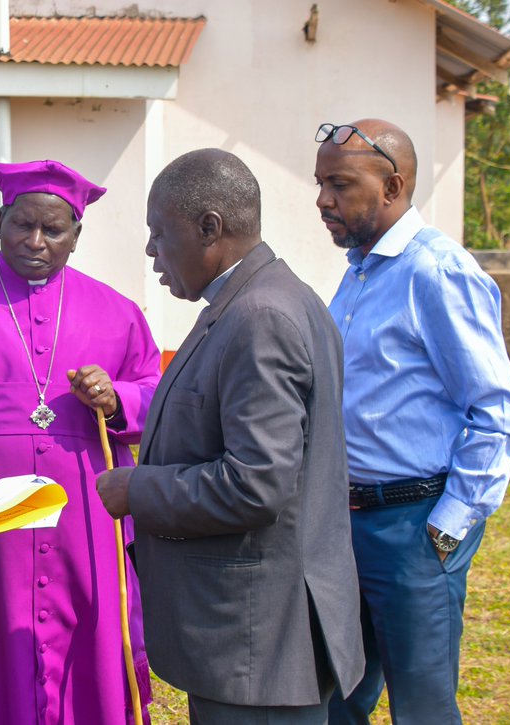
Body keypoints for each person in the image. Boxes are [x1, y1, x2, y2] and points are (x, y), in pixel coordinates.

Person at [96, 148, 365, 724]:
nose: (150, 250)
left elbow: (255, 484)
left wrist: (137, 489)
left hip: (258, 648)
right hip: (253, 643)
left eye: (159, 232)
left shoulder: (260, 317)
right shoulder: (252, 300)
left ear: (209, 228)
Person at [0, 160, 161, 724]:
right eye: (22, 225)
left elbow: (155, 396)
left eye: (53, 230)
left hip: (84, 525)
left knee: (87, 651)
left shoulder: (119, 313)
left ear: (76, 235)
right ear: (0, 222)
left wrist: (115, 399)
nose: (35, 241)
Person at [315, 119, 510, 724]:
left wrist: (447, 530)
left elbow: (497, 413)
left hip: (414, 526)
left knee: (422, 708)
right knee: (337, 701)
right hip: (349, 524)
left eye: (340, 185)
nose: (323, 200)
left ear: (392, 187)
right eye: (321, 183)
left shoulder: (437, 271)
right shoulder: (361, 271)